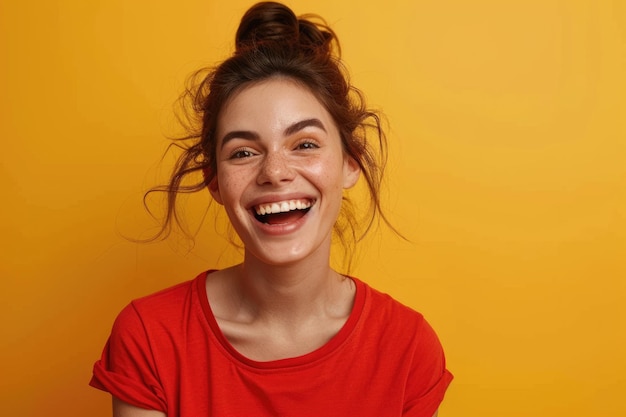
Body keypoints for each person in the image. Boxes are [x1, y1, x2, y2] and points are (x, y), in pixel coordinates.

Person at [90, 2, 453, 416]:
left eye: (305, 144)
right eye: (243, 152)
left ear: (350, 162)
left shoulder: (407, 348)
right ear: (214, 180)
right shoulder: (150, 336)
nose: (275, 172)